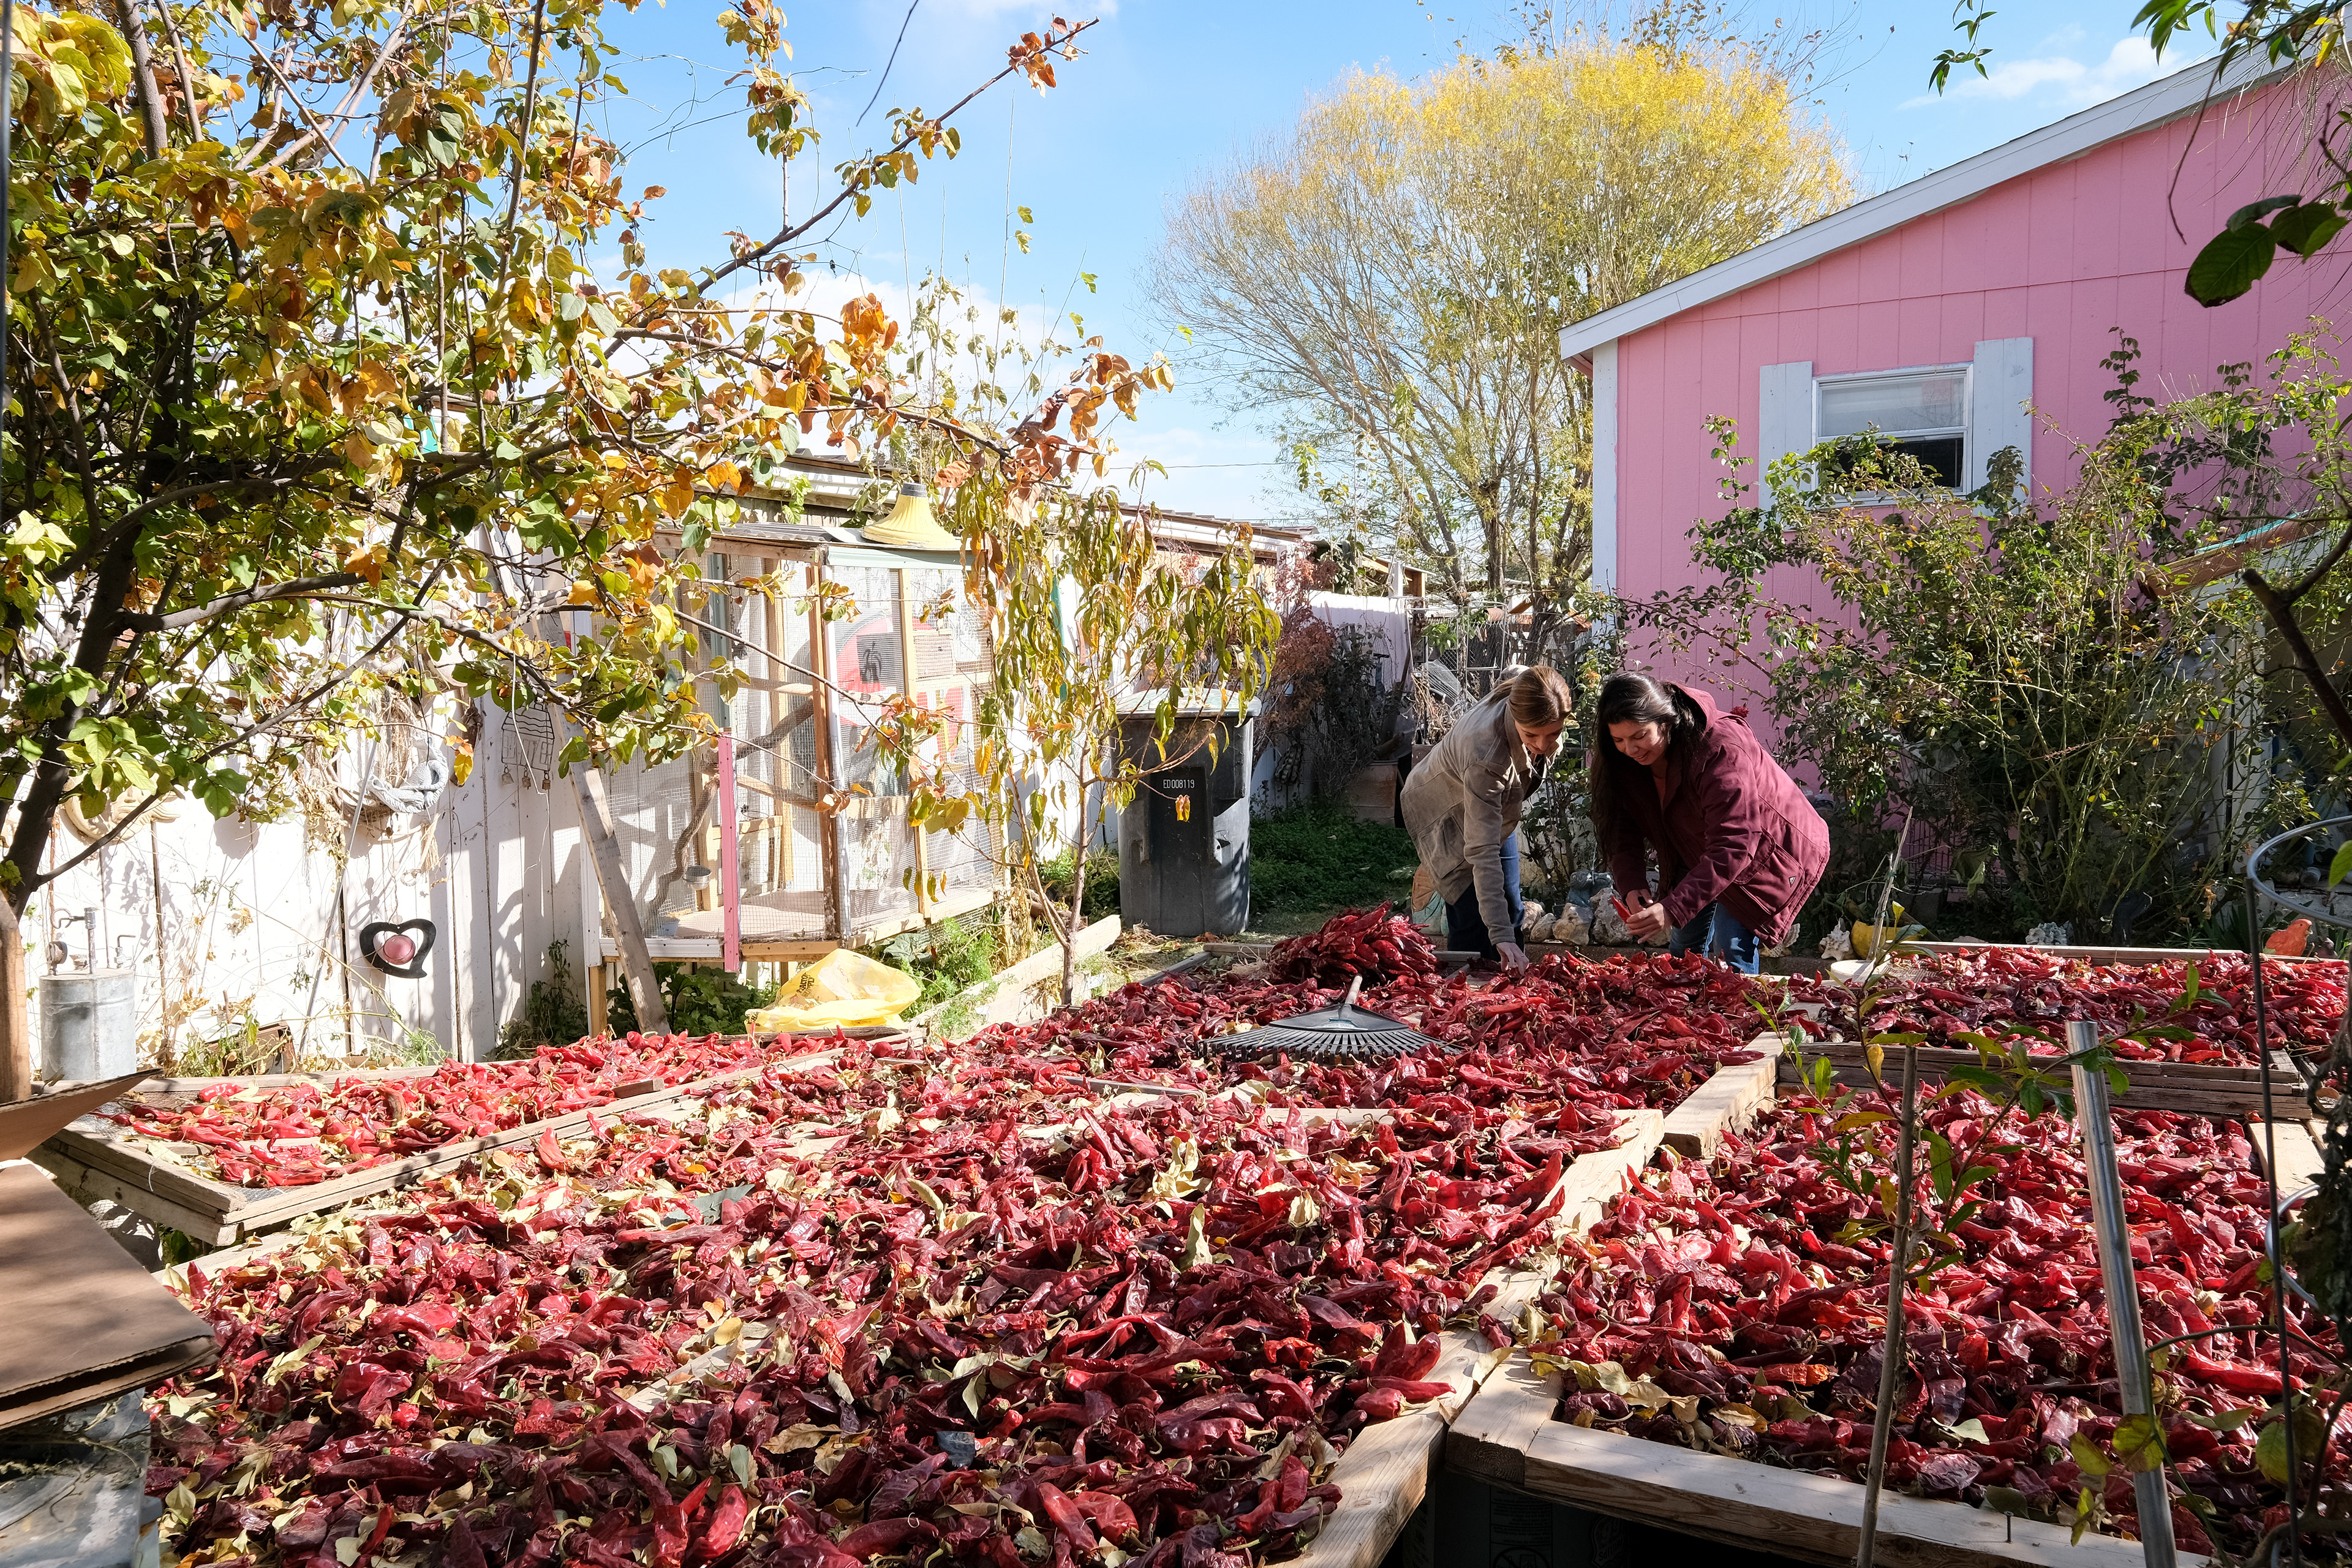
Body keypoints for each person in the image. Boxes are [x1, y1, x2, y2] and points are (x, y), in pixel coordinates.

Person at [1590, 673, 1827, 974]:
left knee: (1731, 955)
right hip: (1693, 847)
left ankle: (1742, 1019)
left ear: (1666, 722)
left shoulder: (1719, 748)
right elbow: (1621, 825)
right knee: (1683, 955)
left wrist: (1672, 908)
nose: (1631, 749)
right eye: (1619, 739)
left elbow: (1736, 843)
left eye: (1639, 736)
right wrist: (1632, 883)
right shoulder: (1622, 759)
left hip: (1764, 851)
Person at [1401, 665, 1572, 969]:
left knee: (1511, 908)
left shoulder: (1532, 693)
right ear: (1515, 715)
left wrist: (1507, 933)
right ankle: (1461, 1004)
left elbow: (1517, 674)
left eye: (1554, 733)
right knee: (1474, 921)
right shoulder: (1486, 755)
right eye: (1531, 735)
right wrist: (1500, 935)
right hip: (1443, 809)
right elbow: (1482, 851)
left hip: (1491, 808)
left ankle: (1514, 984)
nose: (1543, 745)